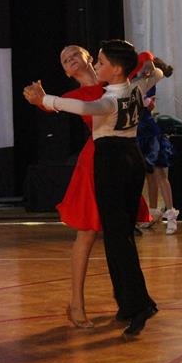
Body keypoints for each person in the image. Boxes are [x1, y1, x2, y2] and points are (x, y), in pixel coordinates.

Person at [24, 40, 162, 338]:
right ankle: (85, 303)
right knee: (95, 234)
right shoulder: (111, 86)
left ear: (92, 58)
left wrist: (151, 65)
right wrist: (42, 100)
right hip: (98, 161)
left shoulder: (113, 85)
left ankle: (132, 303)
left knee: (117, 236)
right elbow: (149, 75)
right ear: (66, 72)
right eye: (64, 60)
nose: (70, 59)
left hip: (114, 160)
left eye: (76, 54)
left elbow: (147, 64)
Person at [133, 56, 179, 234]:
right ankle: (151, 213)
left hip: (148, 131)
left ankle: (171, 215)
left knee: (159, 173)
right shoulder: (134, 82)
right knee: (149, 175)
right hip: (137, 131)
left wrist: (146, 102)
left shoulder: (149, 81)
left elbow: (148, 106)